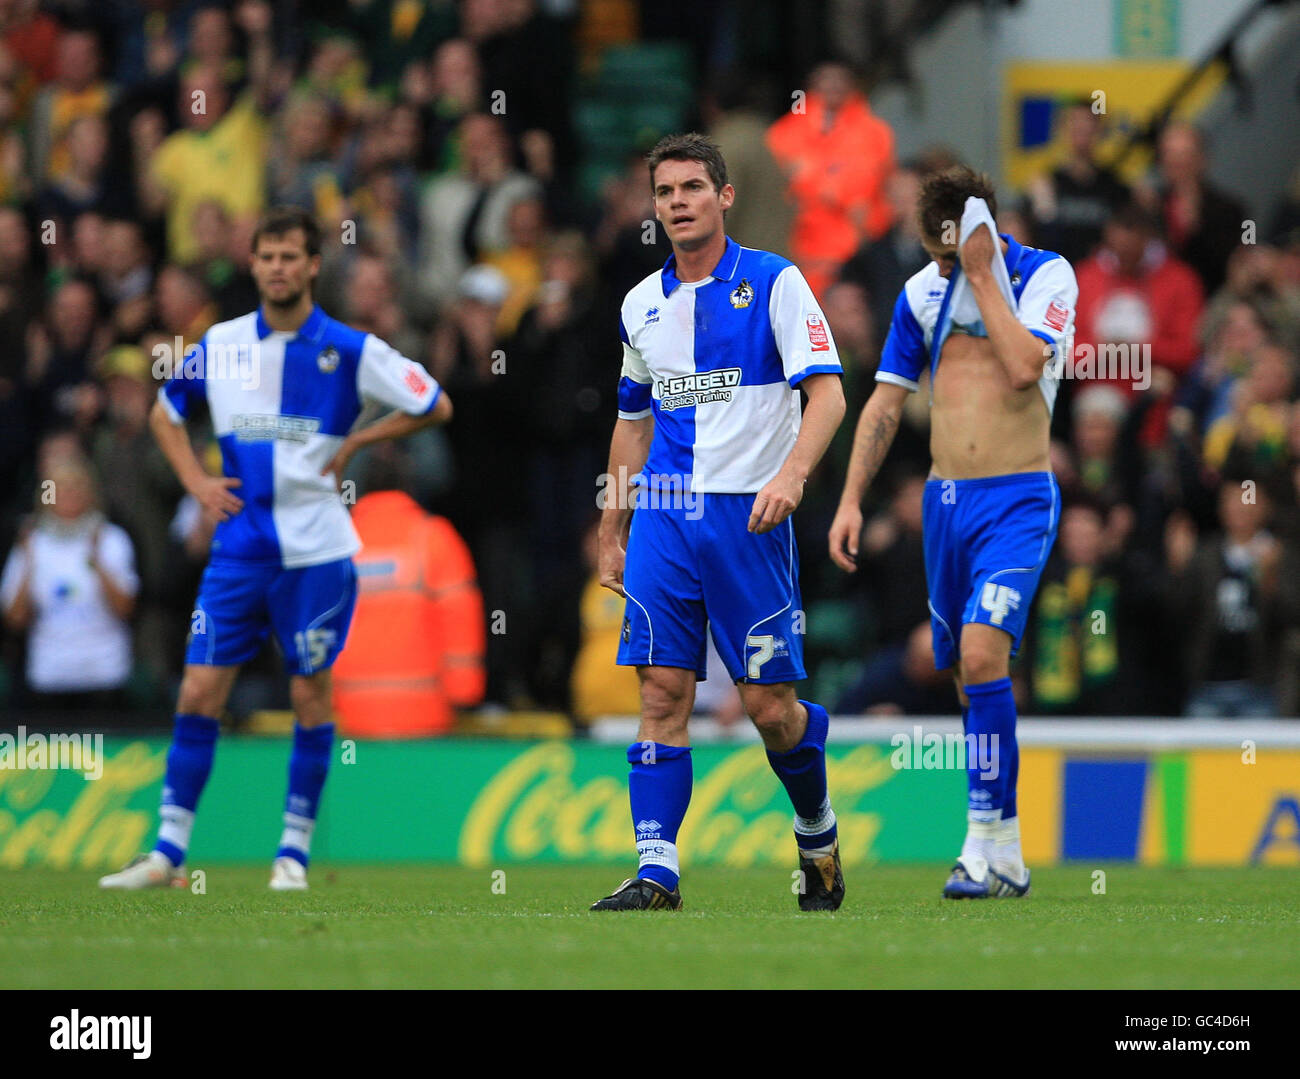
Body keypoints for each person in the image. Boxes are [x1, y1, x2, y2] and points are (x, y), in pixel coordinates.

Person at [99, 206, 453, 891]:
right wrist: (197, 481)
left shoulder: (350, 348)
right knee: (200, 689)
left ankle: (292, 851)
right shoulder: (221, 341)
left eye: (291, 256)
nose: (279, 267)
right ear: (254, 264)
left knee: (309, 694)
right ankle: (168, 853)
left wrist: (358, 439)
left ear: (314, 264)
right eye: (267, 256)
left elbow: (433, 403)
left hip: (318, 553)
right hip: (239, 550)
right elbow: (164, 413)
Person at [591, 133, 847, 912]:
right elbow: (632, 422)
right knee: (661, 693)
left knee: (771, 710)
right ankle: (657, 872)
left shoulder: (774, 282)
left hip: (750, 517)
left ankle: (816, 829)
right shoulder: (641, 303)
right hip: (666, 517)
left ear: (725, 196)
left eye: (693, 187)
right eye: (666, 191)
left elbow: (829, 393)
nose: (678, 202)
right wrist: (611, 523)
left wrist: (793, 475)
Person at [829, 165, 1079, 899]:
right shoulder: (920, 291)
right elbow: (884, 401)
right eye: (933, 255)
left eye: (950, 251)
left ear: (980, 231)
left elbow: (1028, 363)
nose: (941, 267)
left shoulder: (1042, 275)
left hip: (1017, 497)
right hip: (945, 504)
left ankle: (977, 844)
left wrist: (980, 271)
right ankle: (1006, 853)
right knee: (971, 678)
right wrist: (849, 498)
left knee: (980, 652)